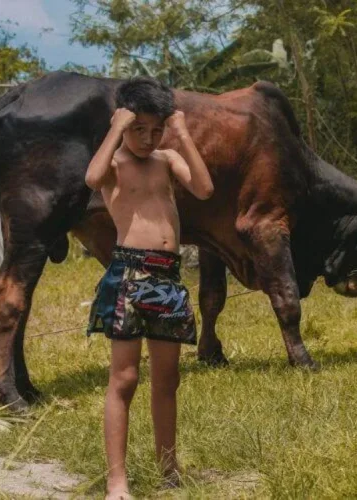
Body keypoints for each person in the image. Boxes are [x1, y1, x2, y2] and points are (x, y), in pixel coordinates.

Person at [85, 77, 214, 499]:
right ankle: (117, 479)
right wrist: (115, 128)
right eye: (138, 128)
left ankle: (169, 467)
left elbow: (204, 188)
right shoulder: (114, 164)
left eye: (154, 129)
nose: (147, 137)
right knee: (124, 379)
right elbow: (91, 178)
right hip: (130, 275)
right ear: (122, 122)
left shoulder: (167, 158)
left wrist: (180, 135)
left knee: (168, 378)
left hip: (168, 278)